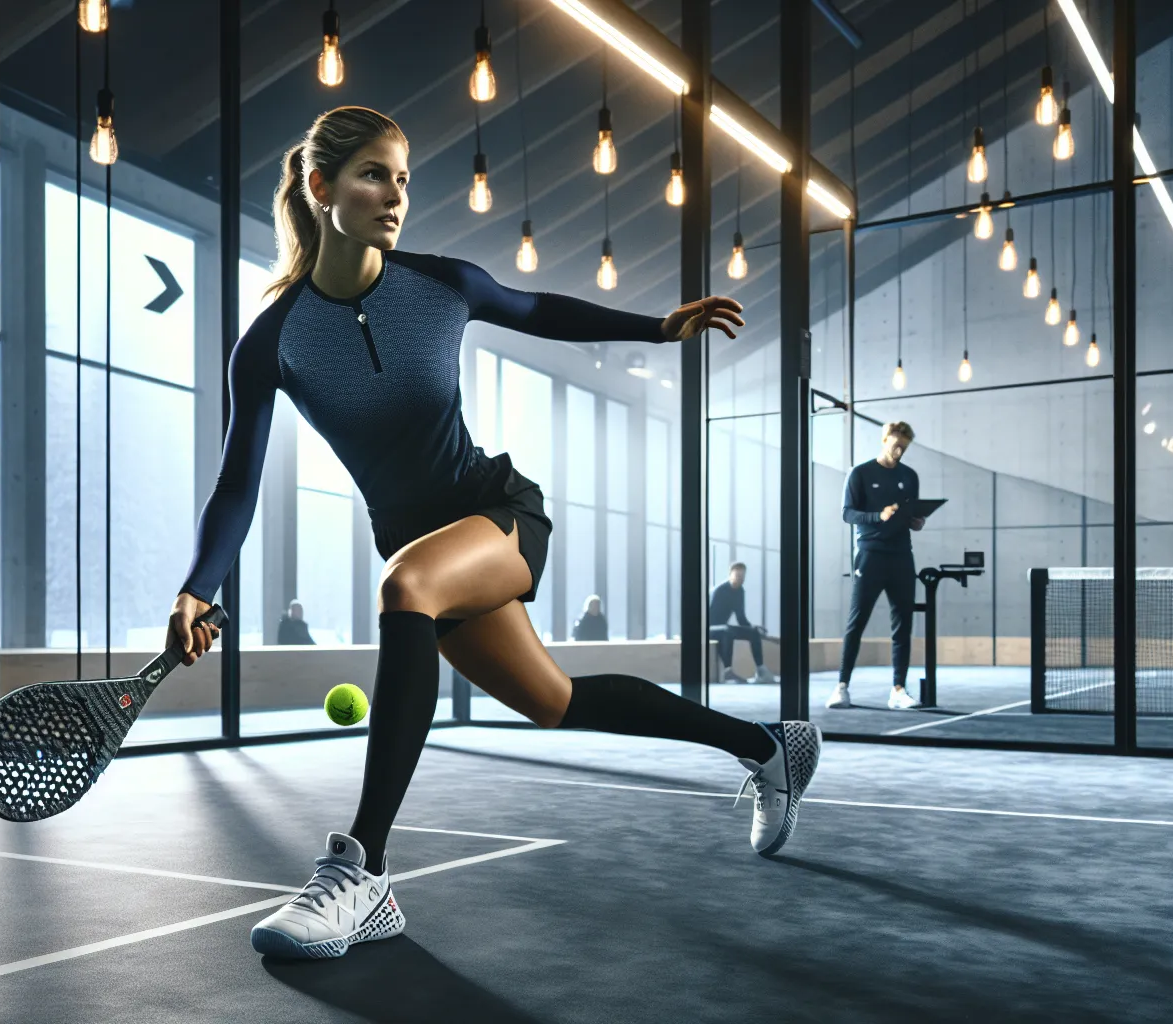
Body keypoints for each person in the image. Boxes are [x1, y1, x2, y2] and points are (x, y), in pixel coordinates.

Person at [166, 107, 821, 962]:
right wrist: (197, 587)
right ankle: (769, 747)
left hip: (497, 512)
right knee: (555, 702)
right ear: (320, 187)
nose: (395, 194)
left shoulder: (442, 285)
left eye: (403, 177)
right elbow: (236, 482)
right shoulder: (273, 343)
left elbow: (538, 308)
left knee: (405, 589)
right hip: (416, 540)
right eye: (372, 173)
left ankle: (363, 872)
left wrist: (656, 327)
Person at [831, 421, 927, 711]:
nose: (899, 451)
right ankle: (841, 687)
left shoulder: (910, 476)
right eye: (895, 444)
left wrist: (917, 522)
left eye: (904, 447)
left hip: (901, 555)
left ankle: (898, 690)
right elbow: (848, 513)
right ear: (884, 440)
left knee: (903, 624)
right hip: (870, 555)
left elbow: (913, 512)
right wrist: (878, 516)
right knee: (856, 622)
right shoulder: (860, 473)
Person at [709, 562, 773, 683]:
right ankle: (728, 671)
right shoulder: (720, 591)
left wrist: (753, 628)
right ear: (730, 575)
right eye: (737, 576)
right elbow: (707, 618)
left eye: (742, 577)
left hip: (724, 628)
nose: (740, 580)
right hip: (708, 628)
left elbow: (741, 618)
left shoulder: (740, 592)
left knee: (753, 632)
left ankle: (761, 670)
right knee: (727, 630)